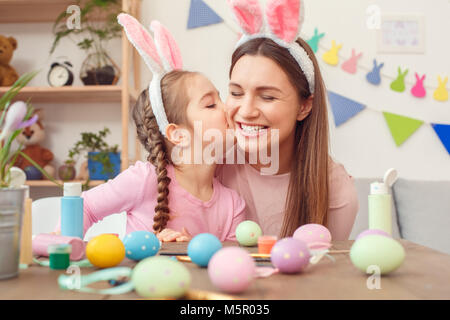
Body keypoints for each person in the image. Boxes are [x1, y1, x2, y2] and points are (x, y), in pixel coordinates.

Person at [54, 14, 245, 242]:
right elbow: (84, 208)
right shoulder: (145, 179)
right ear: (178, 134)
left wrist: (192, 249)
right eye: (211, 104)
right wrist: (71, 255)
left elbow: (230, 267)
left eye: (221, 98)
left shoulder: (233, 204)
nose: (228, 108)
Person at [216, 0, 359, 240]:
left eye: (268, 96)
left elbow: (328, 274)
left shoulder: (335, 190)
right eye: (236, 93)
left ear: (304, 106)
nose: (247, 110)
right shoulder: (211, 165)